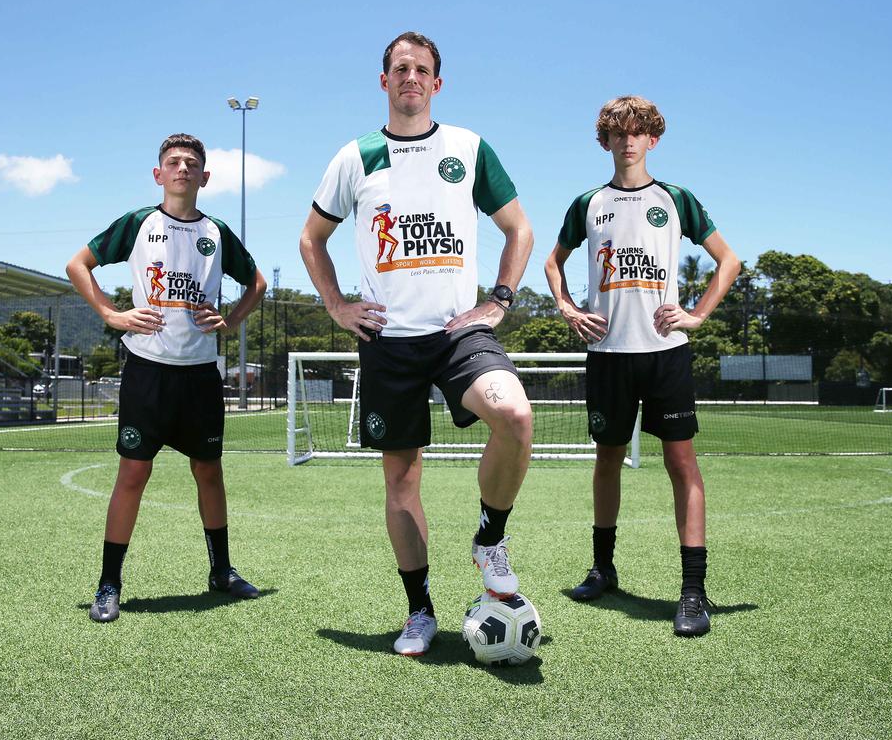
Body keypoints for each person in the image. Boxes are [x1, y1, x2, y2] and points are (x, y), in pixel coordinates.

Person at [299, 32, 535, 656]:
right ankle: (420, 610)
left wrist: (500, 300)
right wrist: (336, 305)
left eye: (422, 69)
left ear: (437, 83)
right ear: (384, 82)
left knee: (514, 414)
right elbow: (310, 239)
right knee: (401, 481)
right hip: (389, 341)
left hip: (460, 333)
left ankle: (491, 538)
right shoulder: (355, 156)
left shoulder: (469, 149)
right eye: (400, 69)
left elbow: (518, 229)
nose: (411, 77)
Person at [544, 96, 740, 636]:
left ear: (653, 139)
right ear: (604, 141)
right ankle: (603, 568)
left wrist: (696, 315)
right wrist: (567, 308)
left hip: (666, 354)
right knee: (607, 461)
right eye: (618, 133)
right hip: (608, 355)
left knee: (682, 465)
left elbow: (729, 260)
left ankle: (693, 592)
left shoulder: (676, 199)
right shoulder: (588, 203)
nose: (628, 141)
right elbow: (552, 261)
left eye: (638, 133)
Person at [66, 133, 268, 623]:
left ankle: (221, 571)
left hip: (199, 373)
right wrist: (111, 314)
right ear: (159, 174)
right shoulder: (138, 224)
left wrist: (232, 320)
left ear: (204, 176)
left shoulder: (216, 232)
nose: (182, 168)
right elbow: (78, 265)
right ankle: (109, 583)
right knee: (133, 472)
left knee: (208, 470)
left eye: (191, 162)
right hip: (147, 372)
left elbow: (257, 283)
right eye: (174, 162)